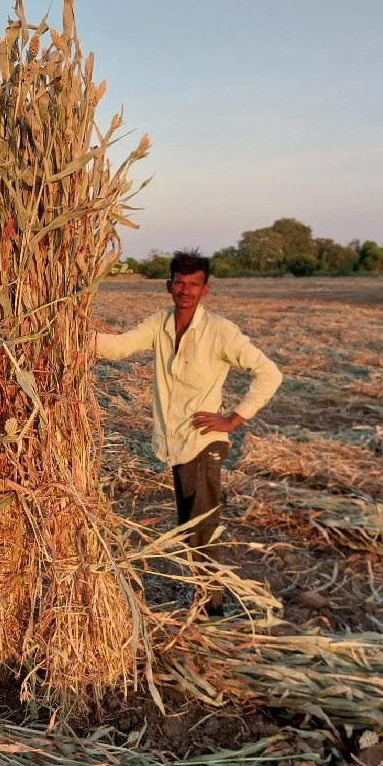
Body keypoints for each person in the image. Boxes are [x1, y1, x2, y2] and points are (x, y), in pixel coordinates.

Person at [95, 250, 282, 613]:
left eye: (194, 284)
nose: (185, 290)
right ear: (169, 286)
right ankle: (202, 599)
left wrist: (233, 418)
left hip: (203, 444)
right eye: (179, 282)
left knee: (201, 532)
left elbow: (269, 373)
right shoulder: (159, 325)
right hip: (175, 445)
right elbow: (119, 346)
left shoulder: (220, 332)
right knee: (189, 530)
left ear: (205, 290)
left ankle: (211, 609)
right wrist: (70, 332)